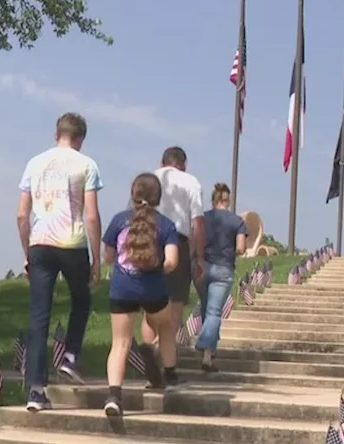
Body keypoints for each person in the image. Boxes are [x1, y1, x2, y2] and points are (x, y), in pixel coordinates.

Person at [16, 113, 103, 412]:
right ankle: (69, 357)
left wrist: (27, 253)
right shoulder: (86, 165)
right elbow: (90, 214)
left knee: (39, 317)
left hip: (39, 242)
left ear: (57, 133)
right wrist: (96, 260)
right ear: (80, 138)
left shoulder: (34, 163)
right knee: (81, 299)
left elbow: (21, 214)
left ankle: (36, 391)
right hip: (72, 243)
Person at [102, 173, 184, 416]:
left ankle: (114, 396)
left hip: (122, 288)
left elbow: (108, 257)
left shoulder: (118, 221)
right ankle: (170, 375)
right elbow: (171, 262)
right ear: (158, 197)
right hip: (153, 290)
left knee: (120, 342)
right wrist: (154, 267)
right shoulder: (166, 225)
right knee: (166, 326)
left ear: (133, 194)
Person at [140, 146, 205, 353]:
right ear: (183, 164)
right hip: (178, 243)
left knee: (149, 310)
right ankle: (165, 358)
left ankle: (149, 355)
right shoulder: (190, 182)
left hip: (148, 240)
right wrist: (198, 257)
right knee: (175, 307)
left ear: (162, 162)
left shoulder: (148, 180)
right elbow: (198, 222)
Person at [194, 183, 248, 369]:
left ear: (214, 200)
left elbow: (194, 239)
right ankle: (206, 348)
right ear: (228, 200)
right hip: (224, 269)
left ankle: (209, 354)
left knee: (206, 308)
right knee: (214, 312)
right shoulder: (237, 221)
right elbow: (241, 248)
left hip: (201, 267)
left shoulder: (202, 218)